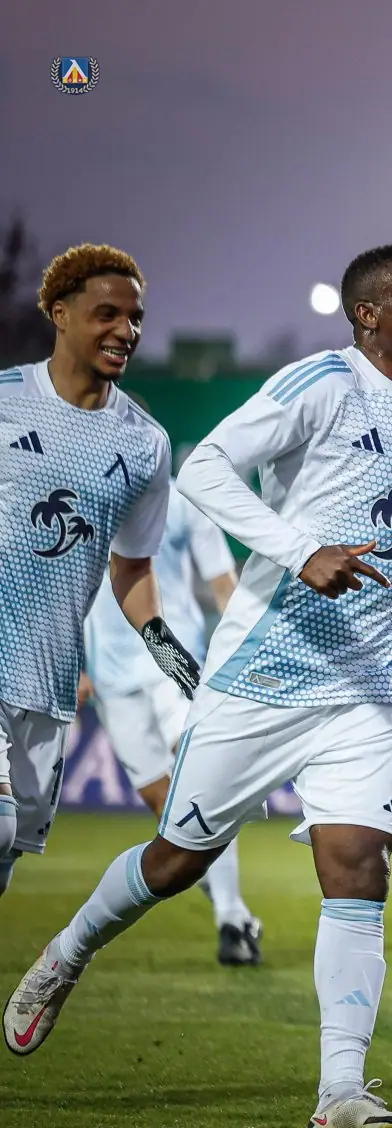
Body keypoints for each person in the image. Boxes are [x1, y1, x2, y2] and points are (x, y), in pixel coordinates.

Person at [6, 244, 392, 1128]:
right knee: (178, 860)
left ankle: (340, 1094)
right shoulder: (324, 383)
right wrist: (300, 551)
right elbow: (210, 468)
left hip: (366, 683)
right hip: (262, 672)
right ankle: (68, 951)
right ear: (369, 313)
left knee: (360, 867)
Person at [0, 244, 196, 903]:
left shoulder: (145, 443)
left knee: (5, 860)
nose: (126, 330)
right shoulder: (5, 400)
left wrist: (163, 644)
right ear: (60, 312)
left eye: (135, 318)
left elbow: (132, 565)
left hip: (50, 679)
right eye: (107, 313)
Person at [82, 491, 260, 963]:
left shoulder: (182, 499)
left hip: (172, 662)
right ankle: (236, 912)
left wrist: (243, 650)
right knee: (167, 811)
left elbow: (222, 582)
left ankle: (230, 921)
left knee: (199, 779)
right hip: (111, 677)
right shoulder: (87, 489)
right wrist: (76, 663)